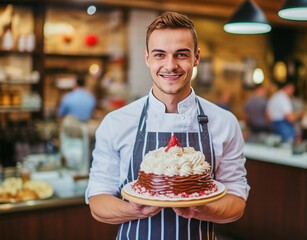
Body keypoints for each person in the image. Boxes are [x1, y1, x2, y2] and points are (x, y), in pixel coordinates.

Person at [85, 11, 249, 240]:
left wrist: (200, 208)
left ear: (196, 57)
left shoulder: (224, 122)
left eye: (181, 54)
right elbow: (98, 200)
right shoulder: (116, 123)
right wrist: (134, 209)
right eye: (159, 55)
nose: (170, 65)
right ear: (147, 59)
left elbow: (236, 201)